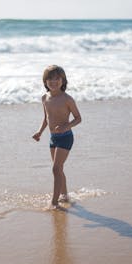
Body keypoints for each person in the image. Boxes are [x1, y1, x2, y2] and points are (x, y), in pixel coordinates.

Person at [32, 65, 82, 209]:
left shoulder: (67, 99)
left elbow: (78, 118)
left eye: (57, 79)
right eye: (50, 79)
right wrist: (40, 132)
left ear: (63, 81)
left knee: (55, 169)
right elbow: (46, 118)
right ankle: (64, 195)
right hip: (53, 138)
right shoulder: (44, 98)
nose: (53, 82)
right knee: (59, 169)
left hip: (66, 137)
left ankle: (54, 203)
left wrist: (66, 126)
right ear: (45, 81)